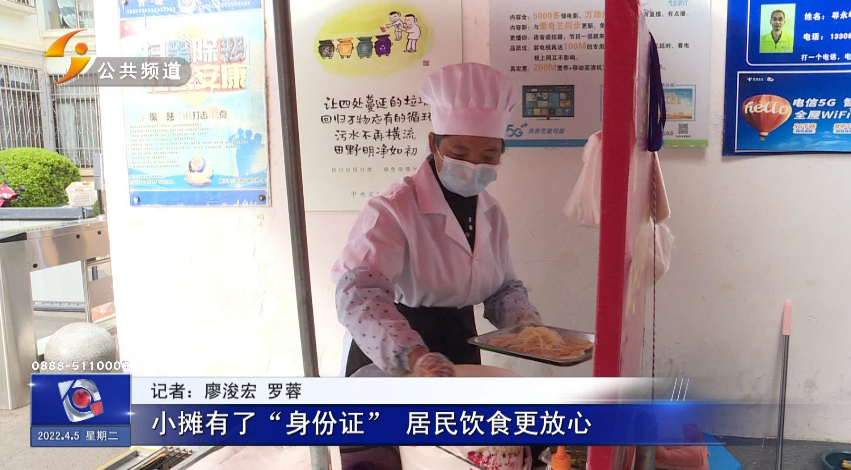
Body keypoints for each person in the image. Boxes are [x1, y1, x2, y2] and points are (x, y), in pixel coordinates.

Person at [331, 63, 543, 378]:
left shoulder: (490, 212)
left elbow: (501, 287)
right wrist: (414, 356)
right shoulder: (393, 208)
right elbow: (359, 292)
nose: (474, 166)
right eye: (460, 153)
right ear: (434, 144)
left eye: (488, 156)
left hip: (460, 342)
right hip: (393, 350)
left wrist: (525, 323)